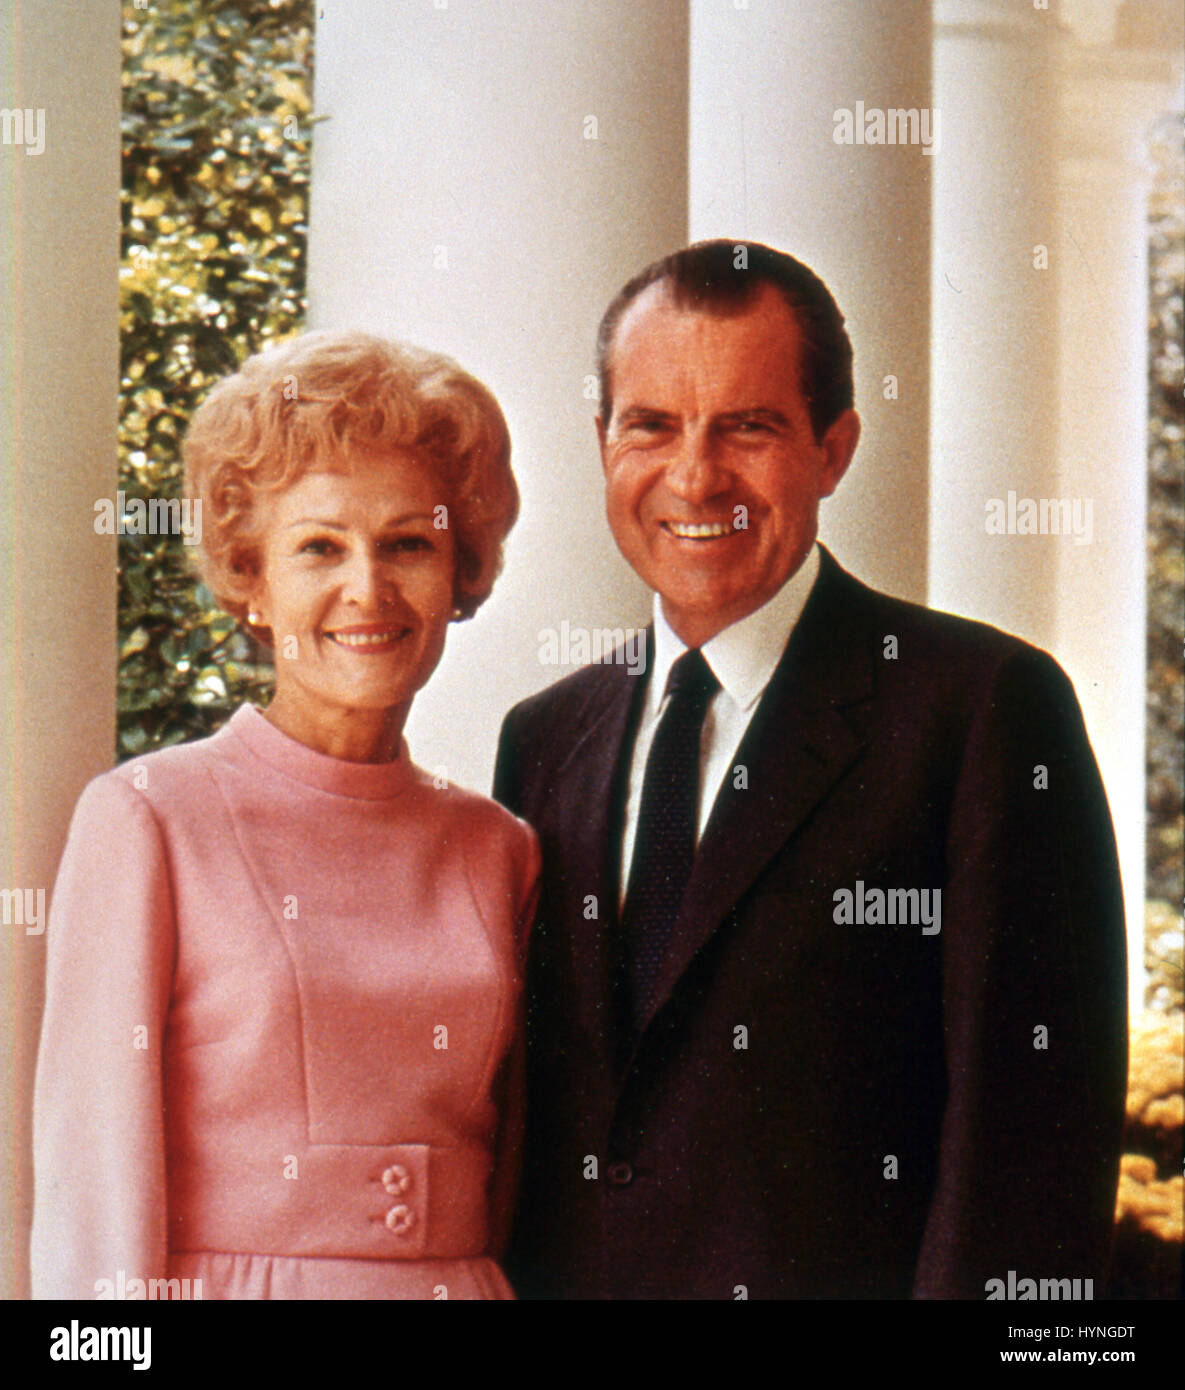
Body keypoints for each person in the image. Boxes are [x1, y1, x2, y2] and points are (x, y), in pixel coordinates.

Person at [493, 240, 1128, 1300]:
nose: (695, 476)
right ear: (603, 443)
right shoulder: (544, 738)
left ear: (833, 450)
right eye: (652, 425)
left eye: (750, 426)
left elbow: (1030, 1149)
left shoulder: (979, 711)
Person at [32, 330, 539, 1300]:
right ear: (252, 581)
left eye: (408, 544)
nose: (369, 588)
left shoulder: (499, 848)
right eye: (319, 547)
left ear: (458, 571)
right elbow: (93, 1213)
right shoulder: (149, 820)